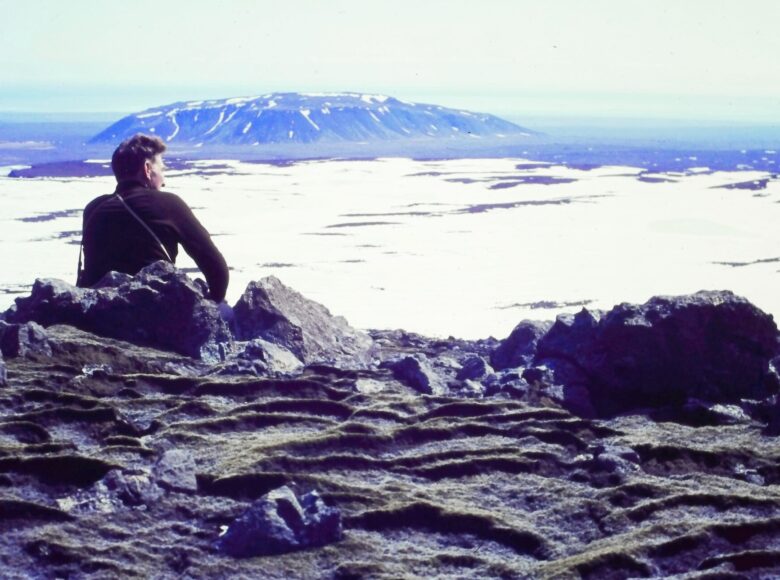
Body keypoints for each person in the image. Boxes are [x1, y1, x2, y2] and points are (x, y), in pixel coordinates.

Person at [78, 133, 229, 303]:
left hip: (98, 312)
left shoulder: (93, 208)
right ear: (147, 169)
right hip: (152, 311)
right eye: (162, 169)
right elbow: (216, 267)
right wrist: (214, 303)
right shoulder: (168, 203)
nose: (163, 181)